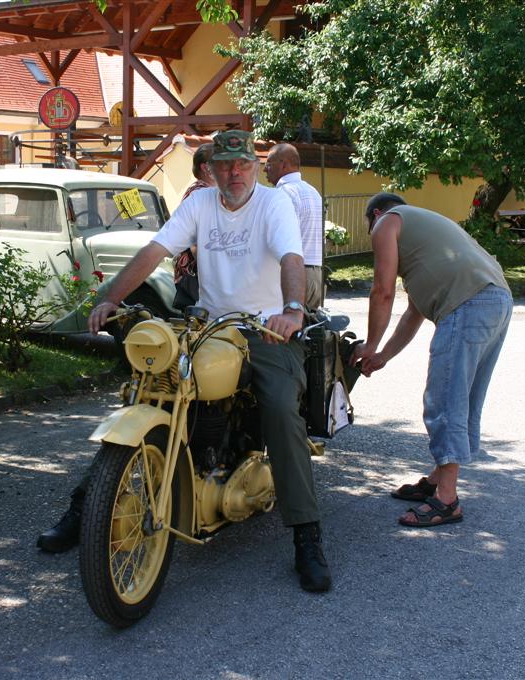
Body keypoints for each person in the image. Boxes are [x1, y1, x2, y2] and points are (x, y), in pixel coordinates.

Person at [39, 129, 332, 593]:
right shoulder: (200, 204)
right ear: (211, 169)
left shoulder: (274, 204)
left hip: (266, 329)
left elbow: (292, 258)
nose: (233, 174)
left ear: (254, 167)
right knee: (150, 386)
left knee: (278, 405)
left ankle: (306, 534)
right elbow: (156, 250)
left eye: (241, 165)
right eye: (223, 166)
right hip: (208, 327)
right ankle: (89, 507)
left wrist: (293, 310)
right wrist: (110, 297)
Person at [353, 193, 512, 529]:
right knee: (464, 398)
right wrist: (382, 355)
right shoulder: (423, 236)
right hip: (496, 298)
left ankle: (446, 499)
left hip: (467, 303)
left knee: (444, 400)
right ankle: (437, 479)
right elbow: (414, 314)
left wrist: (368, 345)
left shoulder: (387, 222)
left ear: (377, 214)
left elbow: (382, 291)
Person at [265, 143, 325, 310]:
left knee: (283, 330)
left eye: (269, 163)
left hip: (294, 274)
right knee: (308, 331)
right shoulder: (312, 191)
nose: (265, 169)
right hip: (316, 272)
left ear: (284, 164)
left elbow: (282, 239)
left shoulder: (283, 194)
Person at [171, 142, 215, 310]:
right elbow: (196, 242)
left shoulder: (206, 192)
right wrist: (208, 276)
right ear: (206, 167)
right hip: (195, 274)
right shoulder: (200, 193)